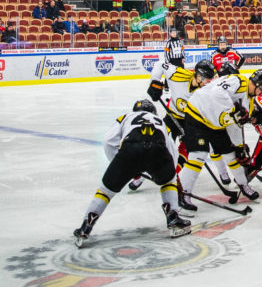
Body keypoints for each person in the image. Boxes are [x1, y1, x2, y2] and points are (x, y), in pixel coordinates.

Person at [71, 100, 190, 247]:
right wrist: (165, 172)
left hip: (129, 151)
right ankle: (173, 219)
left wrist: (120, 163)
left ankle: (85, 227)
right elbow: (170, 148)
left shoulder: (126, 116)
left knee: (105, 191)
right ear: (153, 112)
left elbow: (108, 141)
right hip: (158, 152)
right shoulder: (160, 120)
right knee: (168, 182)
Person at [176, 62, 259, 210]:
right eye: (259, 87)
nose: (259, 92)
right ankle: (183, 192)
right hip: (198, 115)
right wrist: (232, 109)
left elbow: (234, 125)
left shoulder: (249, 103)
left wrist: (239, 146)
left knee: (231, 155)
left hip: (216, 123)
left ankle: (243, 184)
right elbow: (217, 93)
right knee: (198, 155)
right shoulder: (239, 81)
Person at [145, 58, 216, 191]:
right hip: (172, 116)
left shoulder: (207, 91)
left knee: (188, 149)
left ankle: (173, 174)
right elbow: (160, 64)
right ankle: (142, 177)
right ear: (199, 76)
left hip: (191, 121)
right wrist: (155, 81)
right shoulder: (179, 75)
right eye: (207, 79)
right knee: (158, 144)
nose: (209, 83)